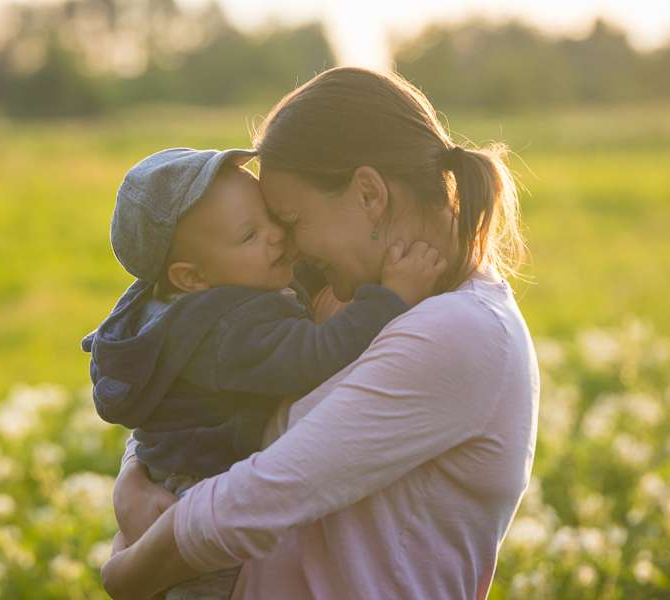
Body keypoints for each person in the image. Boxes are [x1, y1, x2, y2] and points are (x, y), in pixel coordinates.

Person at [101, 66, 540, 599]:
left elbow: (263, 495)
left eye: (292, 220)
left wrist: (123, 573)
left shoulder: (460, 333)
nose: (288, 246)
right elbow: (195, 383)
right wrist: (134, 474)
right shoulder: (349, 295)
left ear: (369, 195)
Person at [83, 146, 445, 599]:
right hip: (196, 497)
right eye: (249, 235)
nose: (278, 237)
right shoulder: (228, 331)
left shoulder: (187, 302)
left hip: (177, 484)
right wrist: (391, 298)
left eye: (272, 217)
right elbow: (316, 353)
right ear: (192, 278)